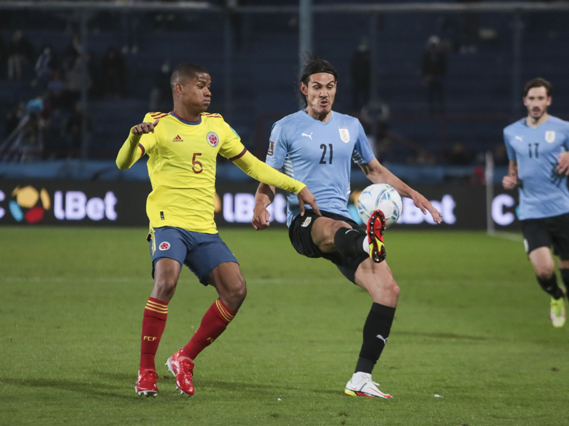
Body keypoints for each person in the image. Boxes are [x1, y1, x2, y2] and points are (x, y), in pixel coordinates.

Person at [115, 63, 320, 397]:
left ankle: (184, 358)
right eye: (201, 86)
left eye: (209, 86)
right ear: (179, 89)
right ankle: (146, 371)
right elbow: (123, 163)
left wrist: (297, 186)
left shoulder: (217, 126)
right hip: (168, 223)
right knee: (166, 282)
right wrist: (133, 136)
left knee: (236, 290)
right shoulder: (157, 124)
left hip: (204, 229)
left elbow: (253, 166)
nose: (208, 92)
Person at [252, 55, 442, 398]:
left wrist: (414, 194)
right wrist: (259, 205)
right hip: (305, 219)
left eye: (330, 87)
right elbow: (269, 176)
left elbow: (374, 170)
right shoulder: (286, 127)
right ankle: (368, 241)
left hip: (346, 223)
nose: (324, 93)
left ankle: (361, 379)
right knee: (329, 227)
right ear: (304, 89)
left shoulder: (351, 126)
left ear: (336, 89)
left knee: (388, 290)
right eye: (317, 87)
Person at [502, 77, 569, 345]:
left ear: (548, 101)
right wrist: (511, 179)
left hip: (562, 211)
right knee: (543, 271)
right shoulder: (511, 132)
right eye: (532, 98)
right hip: (531, 212)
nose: (536, 103)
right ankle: (555, 295)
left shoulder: (565, 129)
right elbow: (513, 167)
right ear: (524, 101)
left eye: (541, 98)